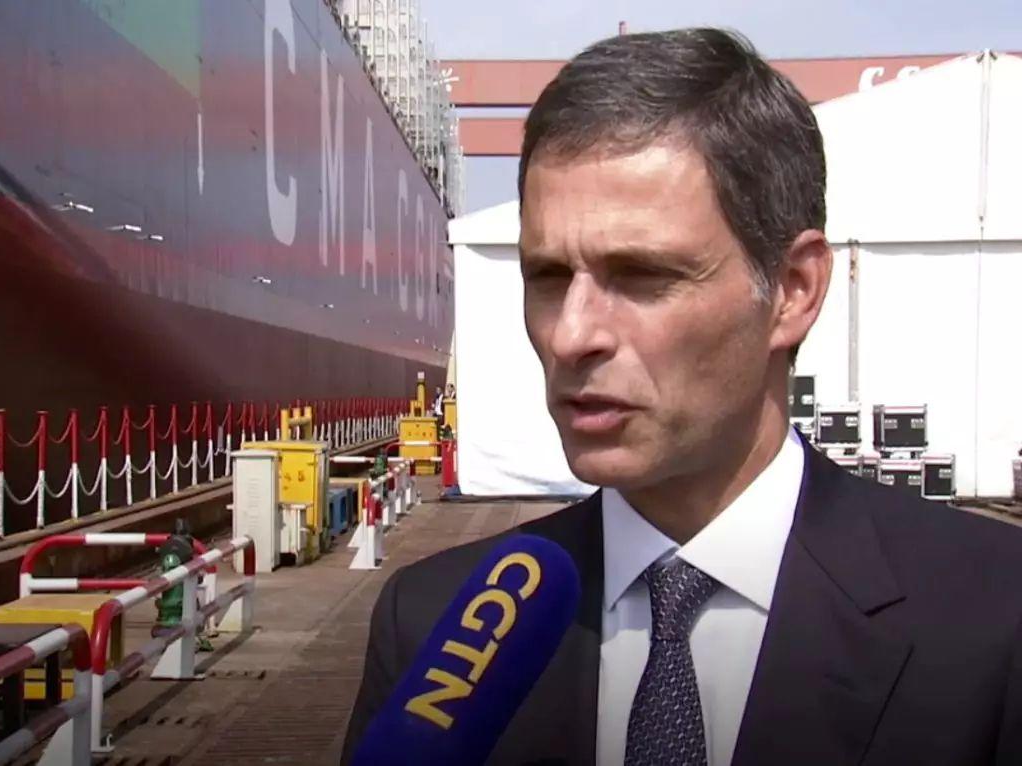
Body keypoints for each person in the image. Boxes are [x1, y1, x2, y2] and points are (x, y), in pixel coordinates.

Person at [343, 29, 1022, 766]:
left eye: (642, 276)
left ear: (793, 290)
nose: (571, 335)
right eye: (547, 277)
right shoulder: (433, 628)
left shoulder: (994, 619)